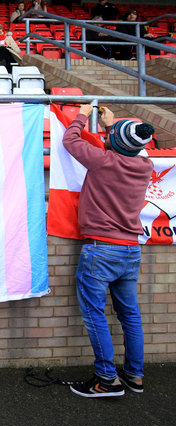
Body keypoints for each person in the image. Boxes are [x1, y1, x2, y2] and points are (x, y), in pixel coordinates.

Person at [63, 105, 154, 398]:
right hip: (130, 250)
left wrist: (80, 115)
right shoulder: (145, 166)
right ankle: (134, 376)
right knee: (130, 315)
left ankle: (106, 380)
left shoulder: (103, 161)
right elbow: (125, 148)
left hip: (101, 250)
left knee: (95, 314)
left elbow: (70, 140)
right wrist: (111, 128)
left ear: (115, 142)